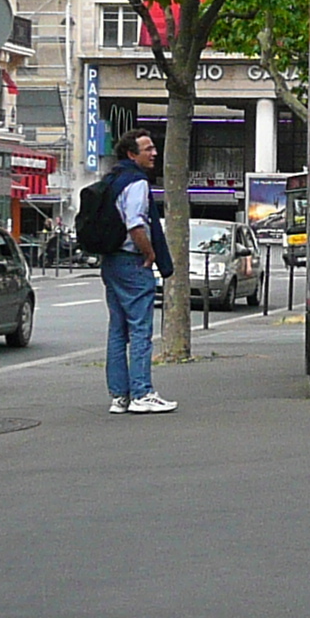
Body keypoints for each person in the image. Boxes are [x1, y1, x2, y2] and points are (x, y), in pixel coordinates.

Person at [93, 134, 175, 415]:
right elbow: (136, 223)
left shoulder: (112, 180)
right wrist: (150, 253)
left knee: (118, 330)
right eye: (147, 149)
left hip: (111, 260)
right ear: (132, 154)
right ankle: (142, 392)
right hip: (132, 260)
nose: (154, 153)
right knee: (140, 329)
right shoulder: (137, 182)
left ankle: (120, 396)